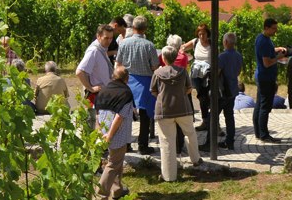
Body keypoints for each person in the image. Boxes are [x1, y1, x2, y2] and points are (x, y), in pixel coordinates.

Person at [151, 45, 201, 181]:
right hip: (183, 108)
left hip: (164, 111)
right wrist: (180, 95)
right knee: (190, 133)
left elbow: (153, 91)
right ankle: (196, 159)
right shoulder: (183, 71)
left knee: (167, 141)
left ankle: (169, 176)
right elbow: (189, 88)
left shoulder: (157, 73)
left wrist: (162, 98)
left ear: (163, 58)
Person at [114, 17, 160, 154]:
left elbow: (119, 63)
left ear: (132, 27)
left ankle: (126, 144)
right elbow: (155, 67)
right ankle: (143, 145)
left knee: (125, 115)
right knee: (145, 117)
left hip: (127, 81)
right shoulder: (149, 45)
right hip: (145, 83)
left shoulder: (123, 43)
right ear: (145, 29)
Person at [95, 65, 134, 200]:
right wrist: (110, 134)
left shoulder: (103, 90)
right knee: (113, 163)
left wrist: (100, 131)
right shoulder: (126, 93)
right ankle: (100, 196)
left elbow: (97, 112)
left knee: (116, 161)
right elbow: (119, 117)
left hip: (103, 130)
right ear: (126, 79)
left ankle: (117, 190)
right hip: (117, 133)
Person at [253, 18, 287, 142]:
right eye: (273, 28)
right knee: (265, 107)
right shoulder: (264, 42)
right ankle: (264, 134)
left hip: (261, 76)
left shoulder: (261, 38)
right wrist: (279, 57)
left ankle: (258, 132)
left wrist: (276, 49)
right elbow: (267, 63)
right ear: (266, 28)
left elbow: (266, 52)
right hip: (266, 78)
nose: (275, 31)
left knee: (259, 105)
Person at [76, 24, 115, 129]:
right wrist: (90, 88)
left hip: (103, 95)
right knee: (98, 128)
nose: (109, 41)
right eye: (106, 38)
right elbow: (79, 71)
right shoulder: (94, 50)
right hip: (97, 97)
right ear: (98, 36)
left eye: (111, 38)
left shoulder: (101, 48)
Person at [182, 24, 213, 132]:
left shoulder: (212, 44)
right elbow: (183, 48)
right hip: (196, 75)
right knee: (202, 97)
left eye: (203, 34)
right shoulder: (195, 42)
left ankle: (211, 122)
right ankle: (207, 121)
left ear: (207, 34)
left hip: (208, 75)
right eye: (199, 34)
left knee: (208, 98)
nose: (201, 36)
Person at [215, 32, 242, 149]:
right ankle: (229, 141)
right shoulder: (238, 55)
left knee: (213, 116)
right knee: (229, 116)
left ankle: (209, 142)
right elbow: (238, 72)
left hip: (223, 91)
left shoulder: (222, 56)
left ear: (225, 42)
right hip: (233, 90)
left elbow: (216, 73)